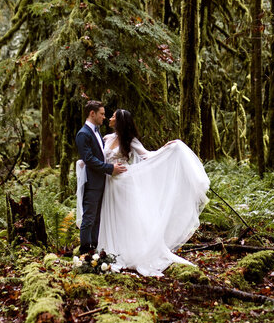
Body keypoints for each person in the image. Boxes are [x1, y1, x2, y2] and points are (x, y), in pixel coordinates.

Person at [76, 108, 209, 276]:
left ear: (120, 121)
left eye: (113, 117)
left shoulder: (130, 140)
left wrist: (167, 149)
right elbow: (98, 157)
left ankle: (127, 250)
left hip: (122, 183)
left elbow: (148, 156)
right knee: (108, 216)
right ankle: (106, 249)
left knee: (125, 217)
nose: (109, 118)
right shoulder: (106, 138)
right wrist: (84, 162)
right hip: (108, 182)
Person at [75, 101, 126, 256]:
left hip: (101, 182)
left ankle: (94, 249)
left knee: (97, 218)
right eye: (102, 114)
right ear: (92, 113)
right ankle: (84, 251)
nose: (104, 117)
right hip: (92, 182)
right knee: (89, 217)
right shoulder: (83, 134)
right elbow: (89, 159)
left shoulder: (97, 132)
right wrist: (110, 169)